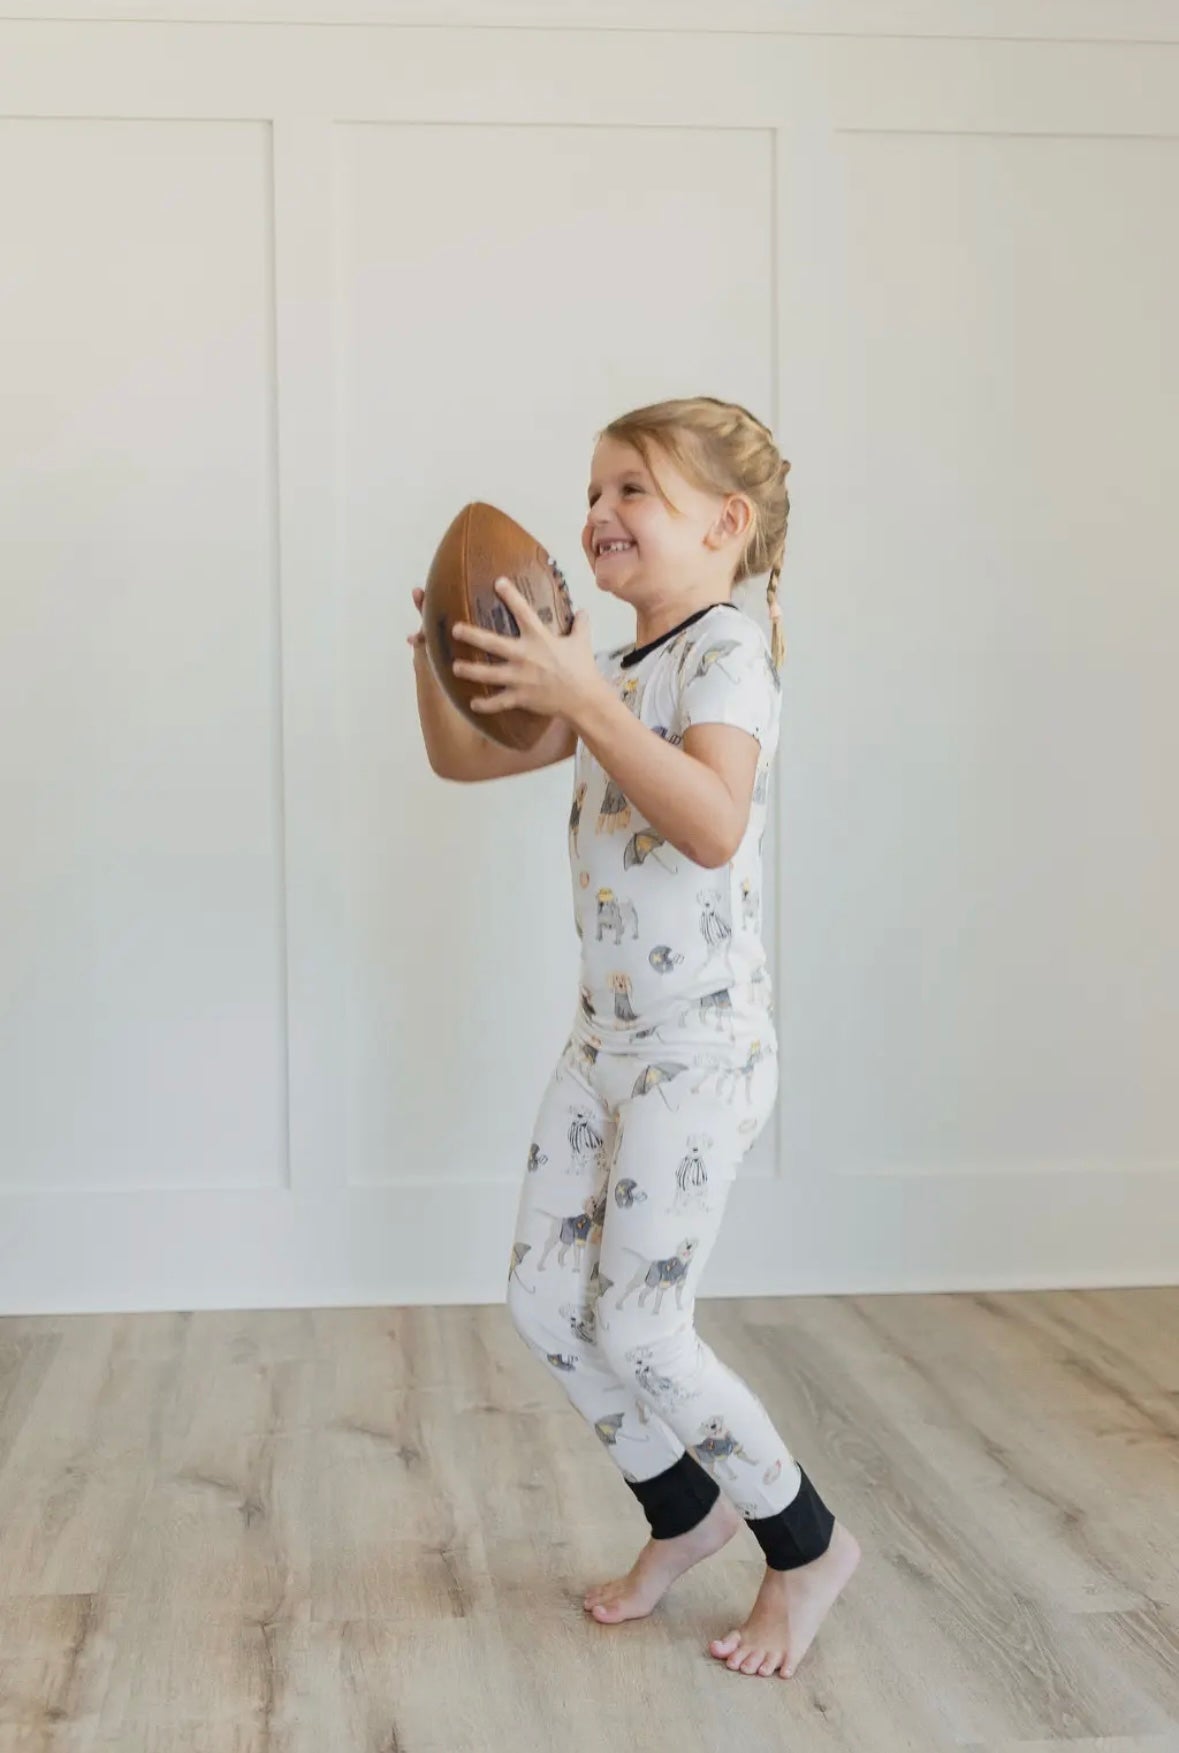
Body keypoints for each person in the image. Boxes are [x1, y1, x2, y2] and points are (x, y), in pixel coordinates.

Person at [408, 395, 860, 1681]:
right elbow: (465, 760)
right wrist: (433, 656)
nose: (598, 516)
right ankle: (687, 1510)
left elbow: (714, 821)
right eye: (592, 492)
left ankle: (808, 1543)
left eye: (634, 492)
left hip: (699, 1052)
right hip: (605, 1041)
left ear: (726, 525)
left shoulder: (725, 657)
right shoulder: (614, 671)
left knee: (645, 1327)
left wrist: (583, 696)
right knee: (545, 1300)